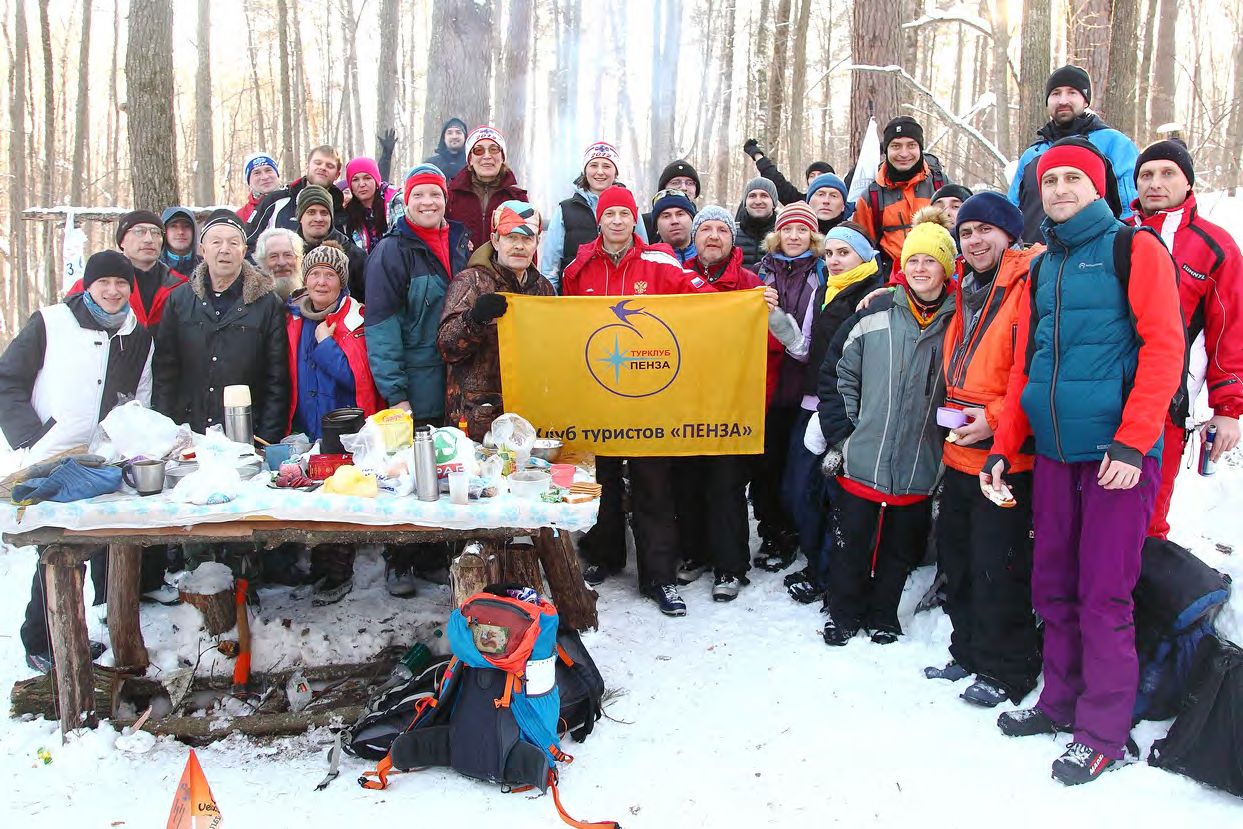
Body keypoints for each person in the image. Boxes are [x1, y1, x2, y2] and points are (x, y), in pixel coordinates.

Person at [982, 138, 1184, 785]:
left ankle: (1102, 730)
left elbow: (1162, 350)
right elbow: (1025, 365)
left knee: (1103, 593)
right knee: (1053, 583)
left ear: (1098, 187)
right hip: (1053, 455)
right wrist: (1004, 445)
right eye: (1051, 181)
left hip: (1114, 458)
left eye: (1073, 178)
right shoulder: (1043, 266)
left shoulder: (1135, 249)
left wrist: (1131, 441)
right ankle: (1059, 700)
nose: (1061, 189)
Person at [562, 185, 714, 617]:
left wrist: (752, 299)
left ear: (635, 221)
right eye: (608, 214)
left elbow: (706, 299)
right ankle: (605, 555)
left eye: (623, 215)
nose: (616, 221)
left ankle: (659, 576)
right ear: (599, 220)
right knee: (602, 482)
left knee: (652, 487)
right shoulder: (578, 268)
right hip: (599, 396)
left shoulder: (661, 261)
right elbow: (564, 325)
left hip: (650, 398)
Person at [0, 251, 153, 672]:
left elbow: (140, 396)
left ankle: (75, 630)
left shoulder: (137, 335)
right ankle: (40, 639)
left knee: (93, 543)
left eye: (121, 284)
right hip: (51, 454)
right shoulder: (50, 323)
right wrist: (30, 434)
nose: (113, 291)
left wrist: (129, 440)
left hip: (101, 458)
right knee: (55, 547)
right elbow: (8, 379)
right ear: (88, 285)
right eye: (104, 282)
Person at [921, 192, 1043, 708]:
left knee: (1001, 564)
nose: (974, 241)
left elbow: (1033, 365)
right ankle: (967, 648)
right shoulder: (964, 287)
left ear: (1009, 234)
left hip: (1006, 453)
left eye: (985, 231)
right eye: (966, 232)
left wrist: (993, 420)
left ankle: (1008, 668)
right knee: (961, 558)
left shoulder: (1028, 284)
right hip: (959, 449)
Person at [818, 209, 957, 647]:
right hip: (865, 455)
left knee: (900, 549)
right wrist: (847, 432)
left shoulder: (961, 320)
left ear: (947, 268)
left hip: (920, 460)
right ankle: (843, 611)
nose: (919, 268)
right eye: (912, 260)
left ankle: (883, 613)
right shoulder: (875, 310)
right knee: (851, 544)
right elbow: (837, 373)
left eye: (930, 260)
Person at [1128, 140, 1243, 539]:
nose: (1155, 183)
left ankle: (1145, 590)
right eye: (1146, 175)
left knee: (1149, 507)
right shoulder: (1118, 233)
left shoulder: (1215, 245)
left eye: (1166, 173)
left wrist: (1228, 408)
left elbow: (1230, 330)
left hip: (1169, 401)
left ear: (1188, 182)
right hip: (1106, 393)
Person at [780, 221, 883, 604]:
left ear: (864, 256)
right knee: (799, 492)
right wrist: (782, 327)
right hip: (811, 406)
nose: (835, 261)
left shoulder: (874, 294)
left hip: (841, 413)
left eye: (844, 253)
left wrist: (840, 415)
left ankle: (828, 573)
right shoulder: (826, 289)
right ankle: (814, 563)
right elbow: (804, 348)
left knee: (831, 497)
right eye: (830, 253)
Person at [674, 206, 772, 602]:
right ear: (695, 237)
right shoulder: (676, 280)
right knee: (687, 483)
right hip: (685, 400)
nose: (713, 236)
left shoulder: (750, 285)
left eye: (721, 230)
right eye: (706, 229)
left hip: (732, 403)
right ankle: (695, 553)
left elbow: (769, 347)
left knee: (726, 487)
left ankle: (730, 566)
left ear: (733, 239)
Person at [285, 241, 382, 604]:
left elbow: (356, 378)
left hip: (342, 426)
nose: (322, 282)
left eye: (329, 275)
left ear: (341, 281)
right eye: (315, 274)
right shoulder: (294, 316)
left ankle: (339, 571)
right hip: (305, 422)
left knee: (339, 497)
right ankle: (318, 566)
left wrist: (327, 345)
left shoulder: (354, 317)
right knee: (310, 497)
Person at [152, 209, 290, 444]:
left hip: (245, 434)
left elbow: (277, 379)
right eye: (216, 242)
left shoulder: (266, 303)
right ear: (203, 250)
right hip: (188, 433)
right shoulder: (180, 300)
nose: (224, 249)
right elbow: (165, 372)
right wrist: (166, 433)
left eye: (233, 243)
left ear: (244, 251)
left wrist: (266, 439)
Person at [438, 201, 554, 441]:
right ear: (495, 240)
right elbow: (446, 348)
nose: (519, 246)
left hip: (528, 414)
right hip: (476, 418)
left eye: (527, 238)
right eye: (511, 237)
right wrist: (475, 319)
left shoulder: (543, 288)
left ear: (536, 243)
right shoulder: (470, 281)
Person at [751, 202, 826, 572]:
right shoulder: (761, 271)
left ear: (812, 236)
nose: (794, 237)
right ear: (776, 234)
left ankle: (792, 532)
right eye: (787, 230)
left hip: (798, 389)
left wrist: (777, 321)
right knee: (764, 469)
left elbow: (805, 347)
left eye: (801, 231)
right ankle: (771, 532)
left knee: (791, 470)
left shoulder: (819, 275)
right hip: (762, 387)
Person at [1009, 65, 1140, 242]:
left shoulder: (1113, 144)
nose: (1063, 100)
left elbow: (1131, 209)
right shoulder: (1032, 155)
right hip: (1036, 259)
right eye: (1055, 93)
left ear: (1086, 100)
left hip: (1096, 257)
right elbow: (1012, 212)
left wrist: (1123, 250)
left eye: (1072, 92)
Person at [540, 141, 648, 292]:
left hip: (623, 292)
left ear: (615, 172)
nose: (600, 172)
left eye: (606, 166)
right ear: (585, 170)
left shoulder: (629, 209)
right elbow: (550, 267)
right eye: (593, 165)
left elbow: (645, 256)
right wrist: (551, 301)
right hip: (576, 297)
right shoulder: (565, 210)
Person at [853, 116, 949, 277]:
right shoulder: (872, 197)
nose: (904, 153)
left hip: (941, 278)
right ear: (886, 150)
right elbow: (861, 249)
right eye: (896, 146)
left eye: (911, 145)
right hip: (893, 281)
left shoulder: (941, 185)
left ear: (920, 148)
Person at [68, 211, 189, 333]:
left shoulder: (181, 286)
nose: (149, 239)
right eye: (139, 231)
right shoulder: (92, 285)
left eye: (156, 232)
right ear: (122, 241)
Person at [446, 126, 529, 250]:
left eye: (494, 149)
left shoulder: (517, 198)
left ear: (502, 157)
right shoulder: (451, 196)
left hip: (503, 268)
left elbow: (528, 244)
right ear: (470, 159)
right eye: (478, 150)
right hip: (460, 268)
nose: (487, 156)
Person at [246, 145, 347, 244]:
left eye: (329, 166)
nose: (322, 168)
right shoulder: (275, 201)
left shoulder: (342, 211)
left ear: (337, 175)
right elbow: (247, 244)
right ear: (307, 166)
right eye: (318, 163)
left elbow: (351, 252)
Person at [295, 185, 367, 301]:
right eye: (311, 212)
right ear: (300, 217)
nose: (318, 218)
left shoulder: (354, 256)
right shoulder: (289, 254)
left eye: (324, 213)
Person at [742, 138, 835, 204]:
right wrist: (757, 155)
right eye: (812, 176)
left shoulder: (842, 206)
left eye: (821, 174)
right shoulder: (800, 203)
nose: (816, 178)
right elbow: (776, 180)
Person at [341, 156, 401, 253]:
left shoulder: (395, 201)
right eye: (355, 180)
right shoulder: (348, 211)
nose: (361, 184)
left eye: (367, 178)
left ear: (376, 180)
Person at [641, 160, 701, 239]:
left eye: (690, 183)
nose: (684, 188)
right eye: (675, 182)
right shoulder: (645, 224)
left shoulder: (703, 221)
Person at [734, 178, 779, 269]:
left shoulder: (783, 235)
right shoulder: (731, 235)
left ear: (774, 203)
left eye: (764, 196)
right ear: (745, 203)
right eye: (752, 196)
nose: (758, 201)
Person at [255, 227, 304, 301]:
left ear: (299, 259)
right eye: (273, 256)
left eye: (288, 255)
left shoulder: (315, 296)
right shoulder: (250, 301)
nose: (282, 263)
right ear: (261, 262)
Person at [649, 188, 698, 263]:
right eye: (666, 216)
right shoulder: (648, 262)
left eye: (680, 214)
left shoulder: (710, 256)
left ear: (692, 220)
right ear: (656, 226)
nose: (674, 221)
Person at [237, 152, 282, 223]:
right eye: (257, 173)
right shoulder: (240, 216)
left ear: (277, 174)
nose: (265, 177)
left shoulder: (294, 203)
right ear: (249, 181)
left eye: (268, 170)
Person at [159, 207, 202, 276]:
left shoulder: (206, 268)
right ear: (164, 231)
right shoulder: (152, 267)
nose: (180, 232)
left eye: (186, 226)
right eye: (173, 226)